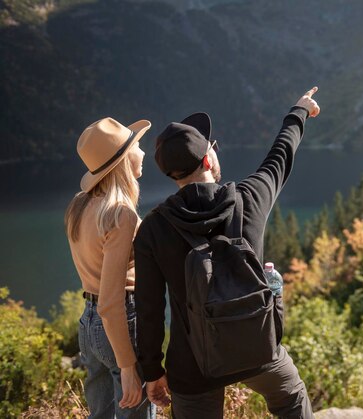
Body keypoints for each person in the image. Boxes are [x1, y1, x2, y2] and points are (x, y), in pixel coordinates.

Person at [133, 87, 321, 418]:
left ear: (171, 174)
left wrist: (151, 370)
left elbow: (148, 308)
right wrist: (299, 111)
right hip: (258, 347)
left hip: (193, 366)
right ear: (209, 159)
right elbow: (280, 156)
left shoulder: (153, 228)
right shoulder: (249, 198)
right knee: (291, 397)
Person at [65, 117, 156, 418]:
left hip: (87, 326)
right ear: (123, 160)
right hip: (119, 326)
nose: (143, 152)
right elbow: (111, 301)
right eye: (138, 146)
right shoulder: (120, 214)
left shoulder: (80, 205)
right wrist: (128, 365)